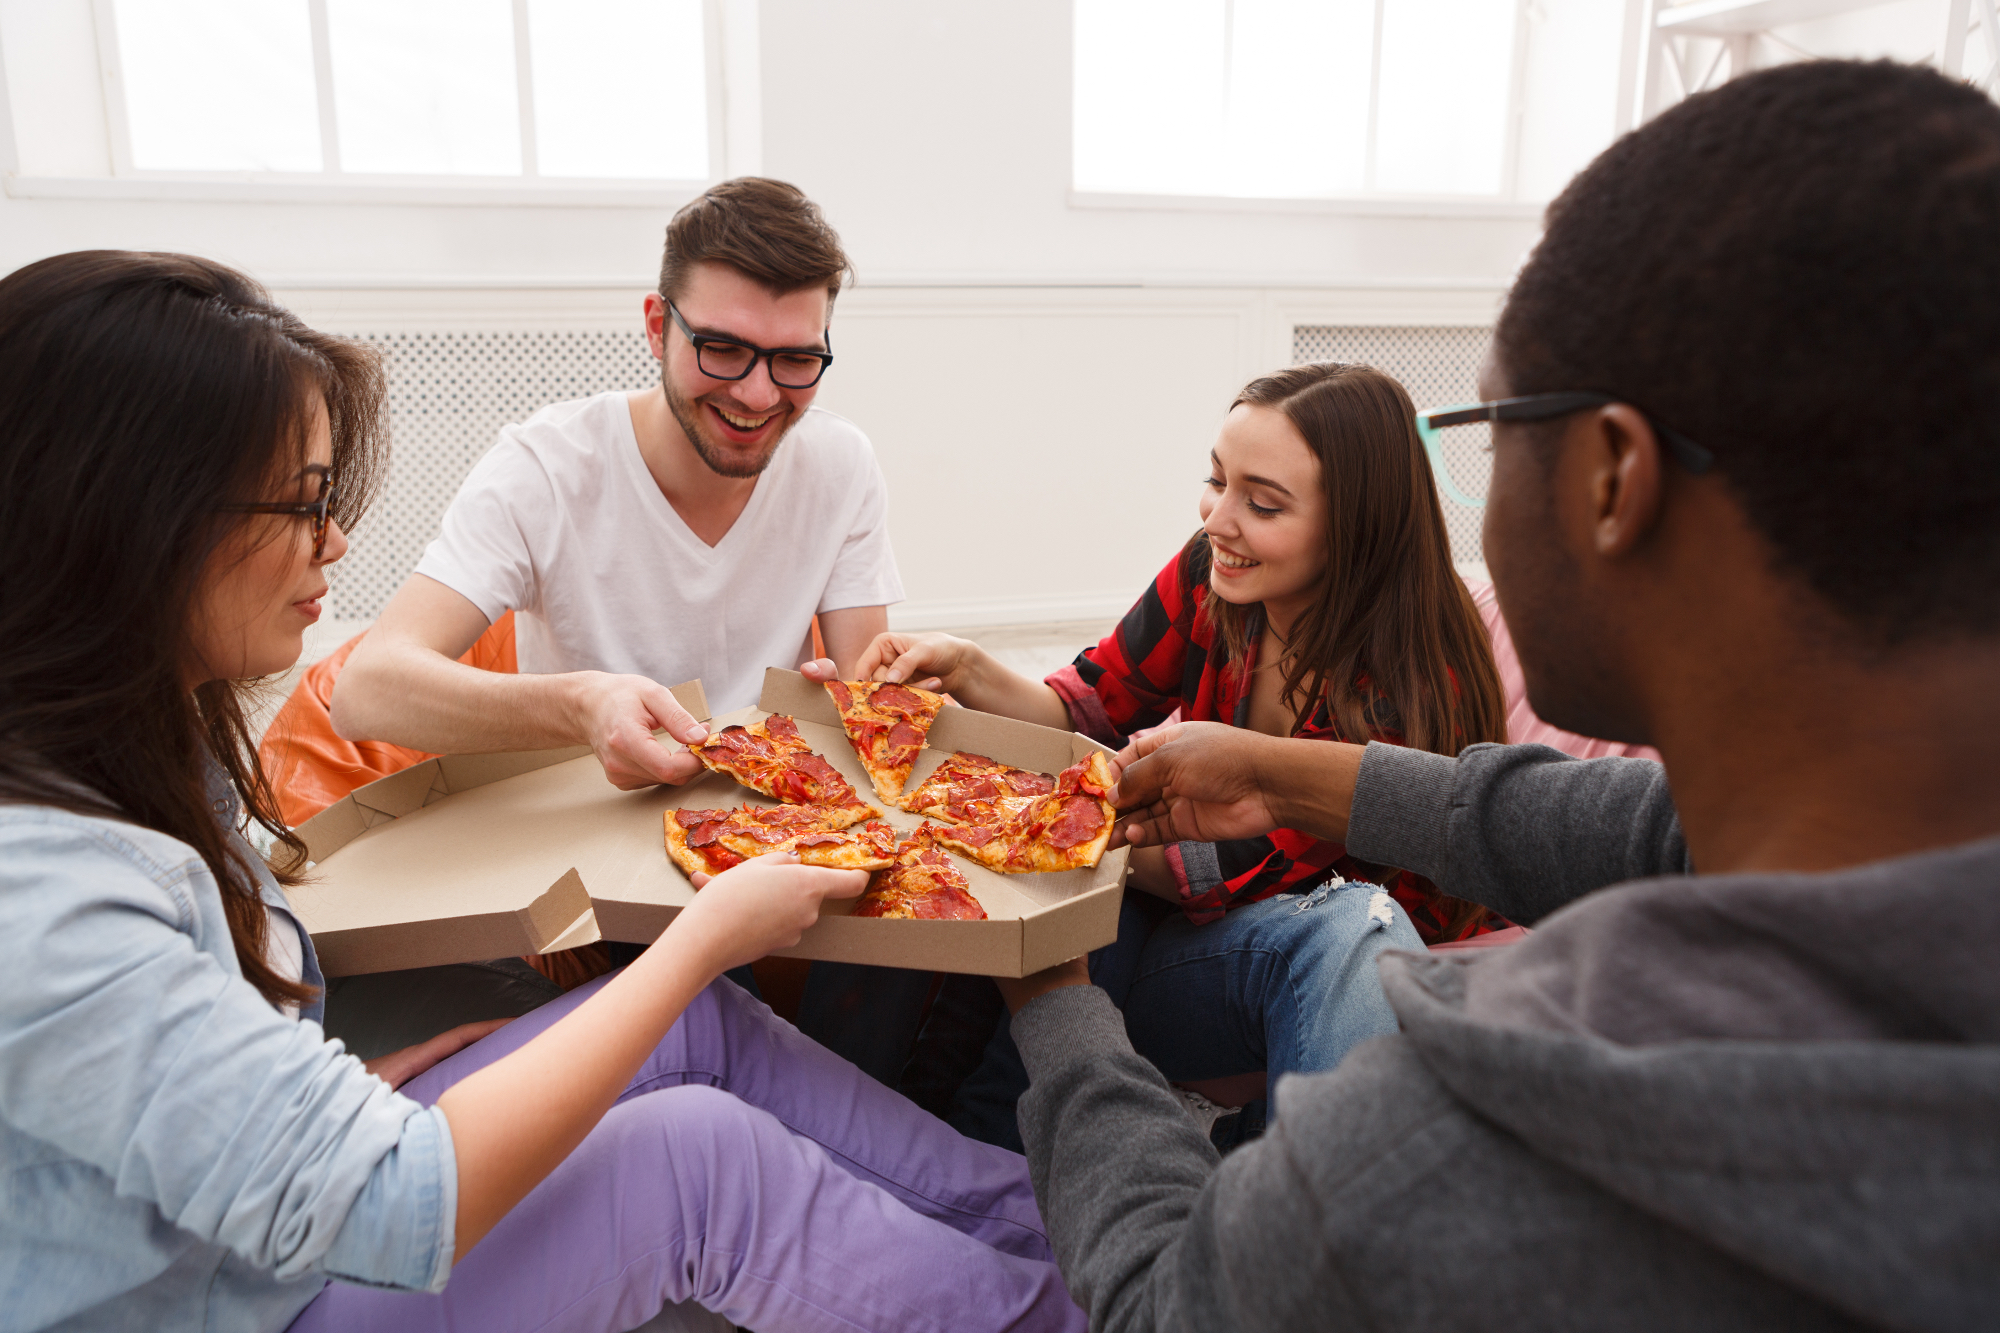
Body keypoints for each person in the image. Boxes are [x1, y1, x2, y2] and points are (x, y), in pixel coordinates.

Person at [999, 59, 2000, 1329]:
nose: (1222, 524)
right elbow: (1640, 827)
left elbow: (1161, 1303)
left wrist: (1053, 1001)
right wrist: (1270, 768)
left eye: (1491, 422)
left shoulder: (1432, 1156)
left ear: (1606, 477)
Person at [0, 250, 1085, 1333]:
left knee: (701, 1025)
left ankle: (1095, 1249)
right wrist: (700, 935)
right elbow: (386, 1201)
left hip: (253, 1210)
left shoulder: (126, 756)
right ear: (132, 522)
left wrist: (315, 1090)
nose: (333, 541)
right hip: (237, 1296)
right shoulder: (56, 896)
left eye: (795, 361)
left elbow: (146, 1091)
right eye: (299, 503)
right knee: (698, 1161)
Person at [326, 177, 926, 1078]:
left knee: (932, 969)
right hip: (608, 863)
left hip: (763, 826)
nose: (761, 395)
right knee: (742, 1043)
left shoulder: (839, 463)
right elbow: (368, 688)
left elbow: (870, 716)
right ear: (656, 326)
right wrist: (582, 706)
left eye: (796, 359)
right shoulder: (547, 466)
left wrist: (884, 695)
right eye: (722, 349)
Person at [863, 362, 1508, 1148]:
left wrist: (1015, 823)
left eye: (1262, 503)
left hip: (1304, 946)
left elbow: (1206, 869)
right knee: (1060, 865)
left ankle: (990, 1140)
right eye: (1216, 480)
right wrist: (963, 668)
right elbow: (1089, 704)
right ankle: (935, 1123)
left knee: (1085, 879)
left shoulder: (1401, 690)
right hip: (1180, 903)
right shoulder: (1215, 573)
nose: (1218, 519)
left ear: (1356, 526)